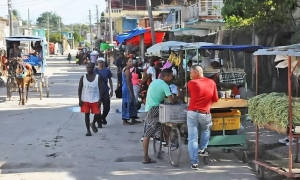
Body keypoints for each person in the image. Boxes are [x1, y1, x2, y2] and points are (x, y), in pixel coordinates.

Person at [142, 68, 177, 164]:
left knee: (163, 121)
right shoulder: (165, 85)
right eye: (171, 76)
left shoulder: (155, 82)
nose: (172, 78)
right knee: (148, 134)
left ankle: (162, 135)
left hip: (150, 107)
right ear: (166, 76)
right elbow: (172, 101)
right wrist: (178, 96)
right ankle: (146, 157)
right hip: (154, 109)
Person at [187, 65, 218, 170]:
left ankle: (194, 163)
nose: (190, 74)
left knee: (192, 138)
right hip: (204, 113)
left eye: (191, 72)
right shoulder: (212, 83)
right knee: (206, 128)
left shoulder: (191, 83)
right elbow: (215, 99)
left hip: (192, 113)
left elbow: (192, 96)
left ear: (196, 72)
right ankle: (202, 148)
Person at [78, 62, 103, 136]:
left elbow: (101, 89)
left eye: (90, 67)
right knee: (87, 115)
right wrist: (80, 99)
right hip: (85, 99)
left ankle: (93, 123)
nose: (88, 69)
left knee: (98, 113)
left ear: (93, 68)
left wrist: (100, 99)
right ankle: (88, 130)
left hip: (95, 99)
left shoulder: (98, 77)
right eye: (87, 67)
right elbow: (80, 89)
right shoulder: (83, 77)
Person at [94, 57, 113, 127]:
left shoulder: (107, 70)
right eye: (98, 62)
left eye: (101, 62)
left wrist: (111, 90)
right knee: (97, 108)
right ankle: (99, 122)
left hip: (105, 91)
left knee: (107, 107)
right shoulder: (95, 71)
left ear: (104, 63)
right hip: (97, 92)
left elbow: (110, 80)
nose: (100, 63)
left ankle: (103, 117)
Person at [122, 57, 139, 125]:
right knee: (128, 103)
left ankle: (133, 117)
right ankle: (125, 119)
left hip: (126, 87)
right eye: (130, 61)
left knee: (132, 102)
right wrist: (131, 92)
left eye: (132, 61)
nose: (132, 63)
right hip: (127, 88)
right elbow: (128, 82)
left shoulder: (126, 69)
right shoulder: (127, 71)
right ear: (127, 62)